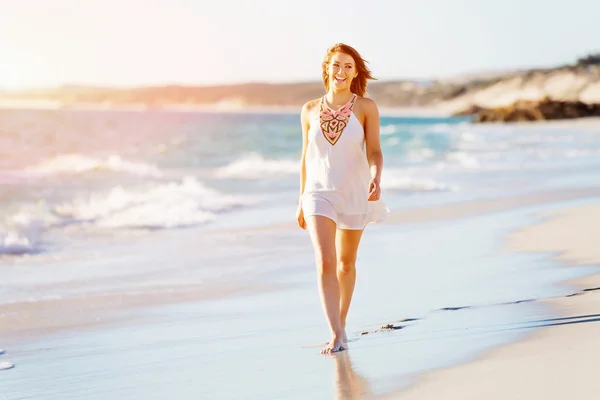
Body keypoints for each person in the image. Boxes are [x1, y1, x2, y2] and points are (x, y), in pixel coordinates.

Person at [297, 43, 389, 355]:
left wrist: (376, 175)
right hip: (317, 193)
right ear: (327, 69)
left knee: (345, 264)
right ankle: (335, 333)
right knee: (324, 261)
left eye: (348, 66)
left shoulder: (365, 108)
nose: (341, 71)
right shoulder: (309, 109)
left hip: (354, 192)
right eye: (337, 65)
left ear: (355, 72)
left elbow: (374, 151)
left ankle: (342, 324)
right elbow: (305, 158)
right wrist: (301, 199)